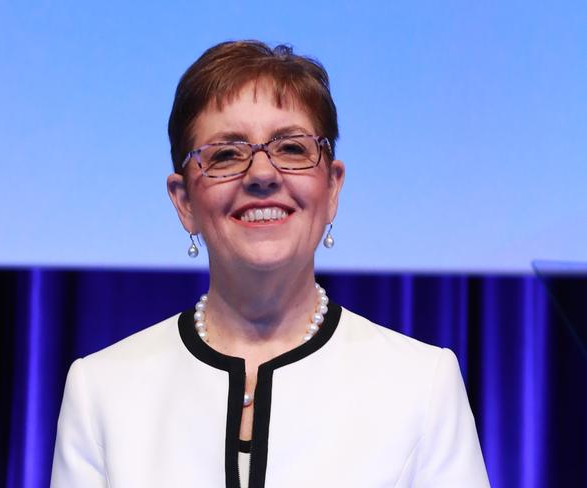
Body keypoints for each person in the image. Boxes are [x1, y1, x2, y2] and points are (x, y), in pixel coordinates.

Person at [51, 40, 490, 487]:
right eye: (226, 154)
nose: (262, 175)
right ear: (184, 201)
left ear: (332, 187)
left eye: (292, 149)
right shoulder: (102, 390)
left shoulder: (421, 384)